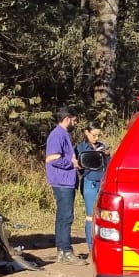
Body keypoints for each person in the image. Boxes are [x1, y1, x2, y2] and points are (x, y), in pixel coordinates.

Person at [44, 106, 80, 262]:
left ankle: (62, 250)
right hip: (62, 182)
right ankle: (65, 251)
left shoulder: (63, 134)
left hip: (66, 181)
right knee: (66, 216)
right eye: (75, 120)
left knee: (62, 216)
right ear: (67, 119)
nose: (76, 123)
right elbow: (52, 159)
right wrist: (72, 163)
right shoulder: (57, 135)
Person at [75, 120, 110, 255]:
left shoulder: (102, 146)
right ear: (86, 132)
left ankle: (101, 244)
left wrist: (106, 155)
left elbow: (107, 165)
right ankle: (91, 246)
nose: (96, 138)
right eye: (94, 135)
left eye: (98, 135)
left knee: (101, 216)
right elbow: (79, 166)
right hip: (89, 183)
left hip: (101, 182)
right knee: (90, 216)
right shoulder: (80, 147)